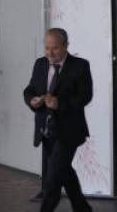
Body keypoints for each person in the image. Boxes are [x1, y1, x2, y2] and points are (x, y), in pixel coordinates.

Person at [23, 28, 93, 212]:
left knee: (53, 177)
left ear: (65, 46)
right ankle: (83, 208)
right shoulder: (40, 64)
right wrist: (32, 100)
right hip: (46, 130)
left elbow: (85, 95)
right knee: (64, 171)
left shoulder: (80, 66)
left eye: (54, 48)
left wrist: (60, 103)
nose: (50, 53)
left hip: (69, 131)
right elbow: (29, 90)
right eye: (47, 48)